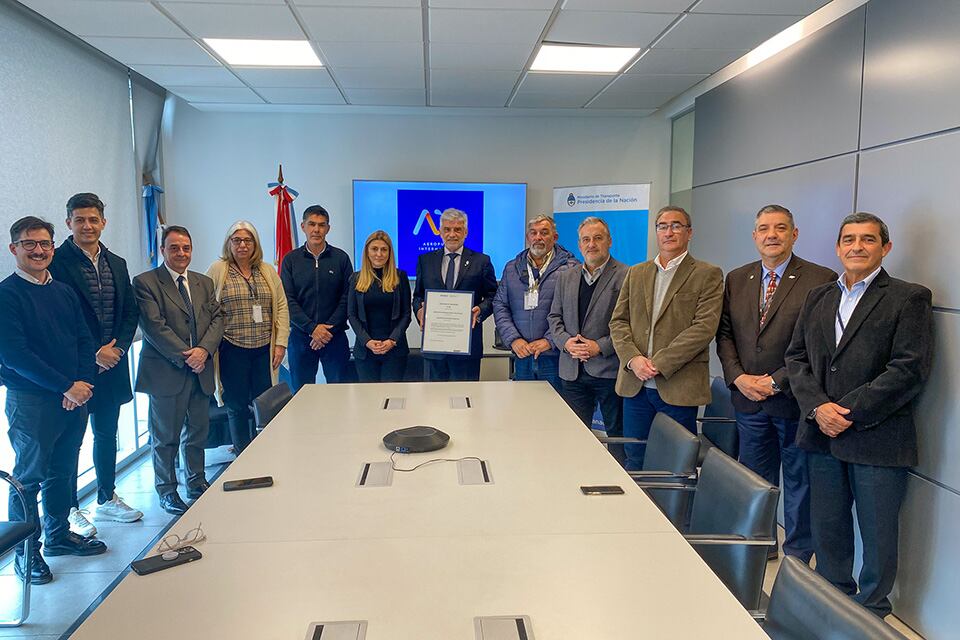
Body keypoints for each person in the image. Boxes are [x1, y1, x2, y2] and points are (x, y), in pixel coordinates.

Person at [785, 212, 933, 617]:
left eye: (868, 239)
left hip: (876, 438)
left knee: (878, 538)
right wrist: (818, 408)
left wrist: (846, 412)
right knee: (828, 532)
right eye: (849, 239)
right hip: (821, 436)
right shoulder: (818, 297)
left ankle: (870, 616)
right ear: (837, 248)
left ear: (886, 248)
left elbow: (908, 369)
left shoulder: (909, 297)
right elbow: (796, 358)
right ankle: (832, 608)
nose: (857, 246)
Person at [716, 204, 836, 562]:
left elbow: (819, 343)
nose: (772, 235)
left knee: (800, 484)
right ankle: (759, 548)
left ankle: (797, 557)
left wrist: (776, 382)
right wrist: (738, 377)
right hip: (748, 402)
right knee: (755, 480)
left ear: (794, 234)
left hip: (794, 402)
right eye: (764, 229)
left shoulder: (820, 278)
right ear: (755, 236)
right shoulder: (737, 278)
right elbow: (725, 334)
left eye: (780, 228)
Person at [0, 216, 106, 585]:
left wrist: (82, 385)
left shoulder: (63, 291)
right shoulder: (6, 295)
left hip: (73, 397)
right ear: (14, 248)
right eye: (29, 243)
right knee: (29, 478)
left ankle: (59, 536)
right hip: (32, 401)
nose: (38, 250)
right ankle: (26, 553)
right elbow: (15, 355)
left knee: (63, 471)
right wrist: (65, 386)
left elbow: (84, 341)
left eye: (44, 243)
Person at [610, 206, 723, 470]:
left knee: (674, 466)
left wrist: (659, 363)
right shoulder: (636, 273)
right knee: (634, 458)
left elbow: (704, 328)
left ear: (689, 232)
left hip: (677, 387)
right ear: (656, 232)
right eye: (662, 226)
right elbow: (618, 321)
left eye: (676, 225)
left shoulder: (707, 273)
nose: (669, 232)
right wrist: (633, 359)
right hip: (635, 386)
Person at [133, 226, 223, 515]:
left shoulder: (203, 282)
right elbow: (154, 327)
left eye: (186, 248)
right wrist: (188, 355)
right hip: (166, 372)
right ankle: (167, 491)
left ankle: (196, 482)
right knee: (166, 438)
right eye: (174, 248)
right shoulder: (146, 282)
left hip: (200, 370)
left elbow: (217, 319)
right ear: (162, 250)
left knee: (198, 432)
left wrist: (204, 351)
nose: (181, 253)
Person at [206, 221, 289, 454]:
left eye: (248, 240)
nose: (242, 245)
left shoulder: (266, 270)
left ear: (255, 244)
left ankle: (266, 451)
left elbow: (281, 306)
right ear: (229, 243)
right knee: (237, 405)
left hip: (264, 349)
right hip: (232, 349)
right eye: (237, 240)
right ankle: (242, 453)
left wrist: (281, 343)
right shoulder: (218, 270)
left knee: (265, 403)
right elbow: (206, 307)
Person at [548, 217, 627, 444]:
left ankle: (616, 468)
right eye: (586, 239)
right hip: (572, 371)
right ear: (579, 244)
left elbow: (631, 325)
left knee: (616, 435)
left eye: (598, 238)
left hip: (608, 371)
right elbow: (554, 317)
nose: (591, 244)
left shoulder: (626, 275)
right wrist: (566, 343)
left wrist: (599, 346)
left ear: (609, 241)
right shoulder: (566, 277)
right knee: (574, 436)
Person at [494, 215, 578, 393]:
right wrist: (514, 339)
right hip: (522, 355)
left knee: (555, 407)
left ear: (555, 237)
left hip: (555, 356)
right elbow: (500, 305)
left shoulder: (571, 268)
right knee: (525, 406)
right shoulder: (512, 268)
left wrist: (550, 340)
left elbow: (574, 311)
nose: (538, 237)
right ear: (527, 237)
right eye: (533, 233)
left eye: (544, 233)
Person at [412, 208, 498, 381]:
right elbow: (418, 296)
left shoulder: (481, 261)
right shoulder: (425, 260)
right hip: (434, 346)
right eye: (447, 229)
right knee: (433, 396)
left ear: (465, 232)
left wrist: (480, 310)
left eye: (457, 229)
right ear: (440, 232)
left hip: (467, 347)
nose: (452, 234)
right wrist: (419, 312)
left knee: (465, 396)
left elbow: (493, 295)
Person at [280, 205, 353, 391]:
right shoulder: (290, 260)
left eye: (321, 225)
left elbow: (347, 297)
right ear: (303, 226)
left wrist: (326, 330)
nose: (316, 230)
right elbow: (288, 299)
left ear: (328, 228)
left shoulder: (341, 258)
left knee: (340, 393)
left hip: (334, 337)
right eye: (312, 224)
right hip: (301, 337)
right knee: (301, 393)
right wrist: (312, 328)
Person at [347, 231, 411, 382]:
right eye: (374, 249)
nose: (379, 254)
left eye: (384, 249)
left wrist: (392, 340)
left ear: (389, 253)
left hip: (395, 350)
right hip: (365, 351)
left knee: (392, 395)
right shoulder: (356, 278)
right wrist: (367, 341)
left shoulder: (400, 277)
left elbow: (406, 314)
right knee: (369, 395)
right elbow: (351, 314)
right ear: (367, 252)